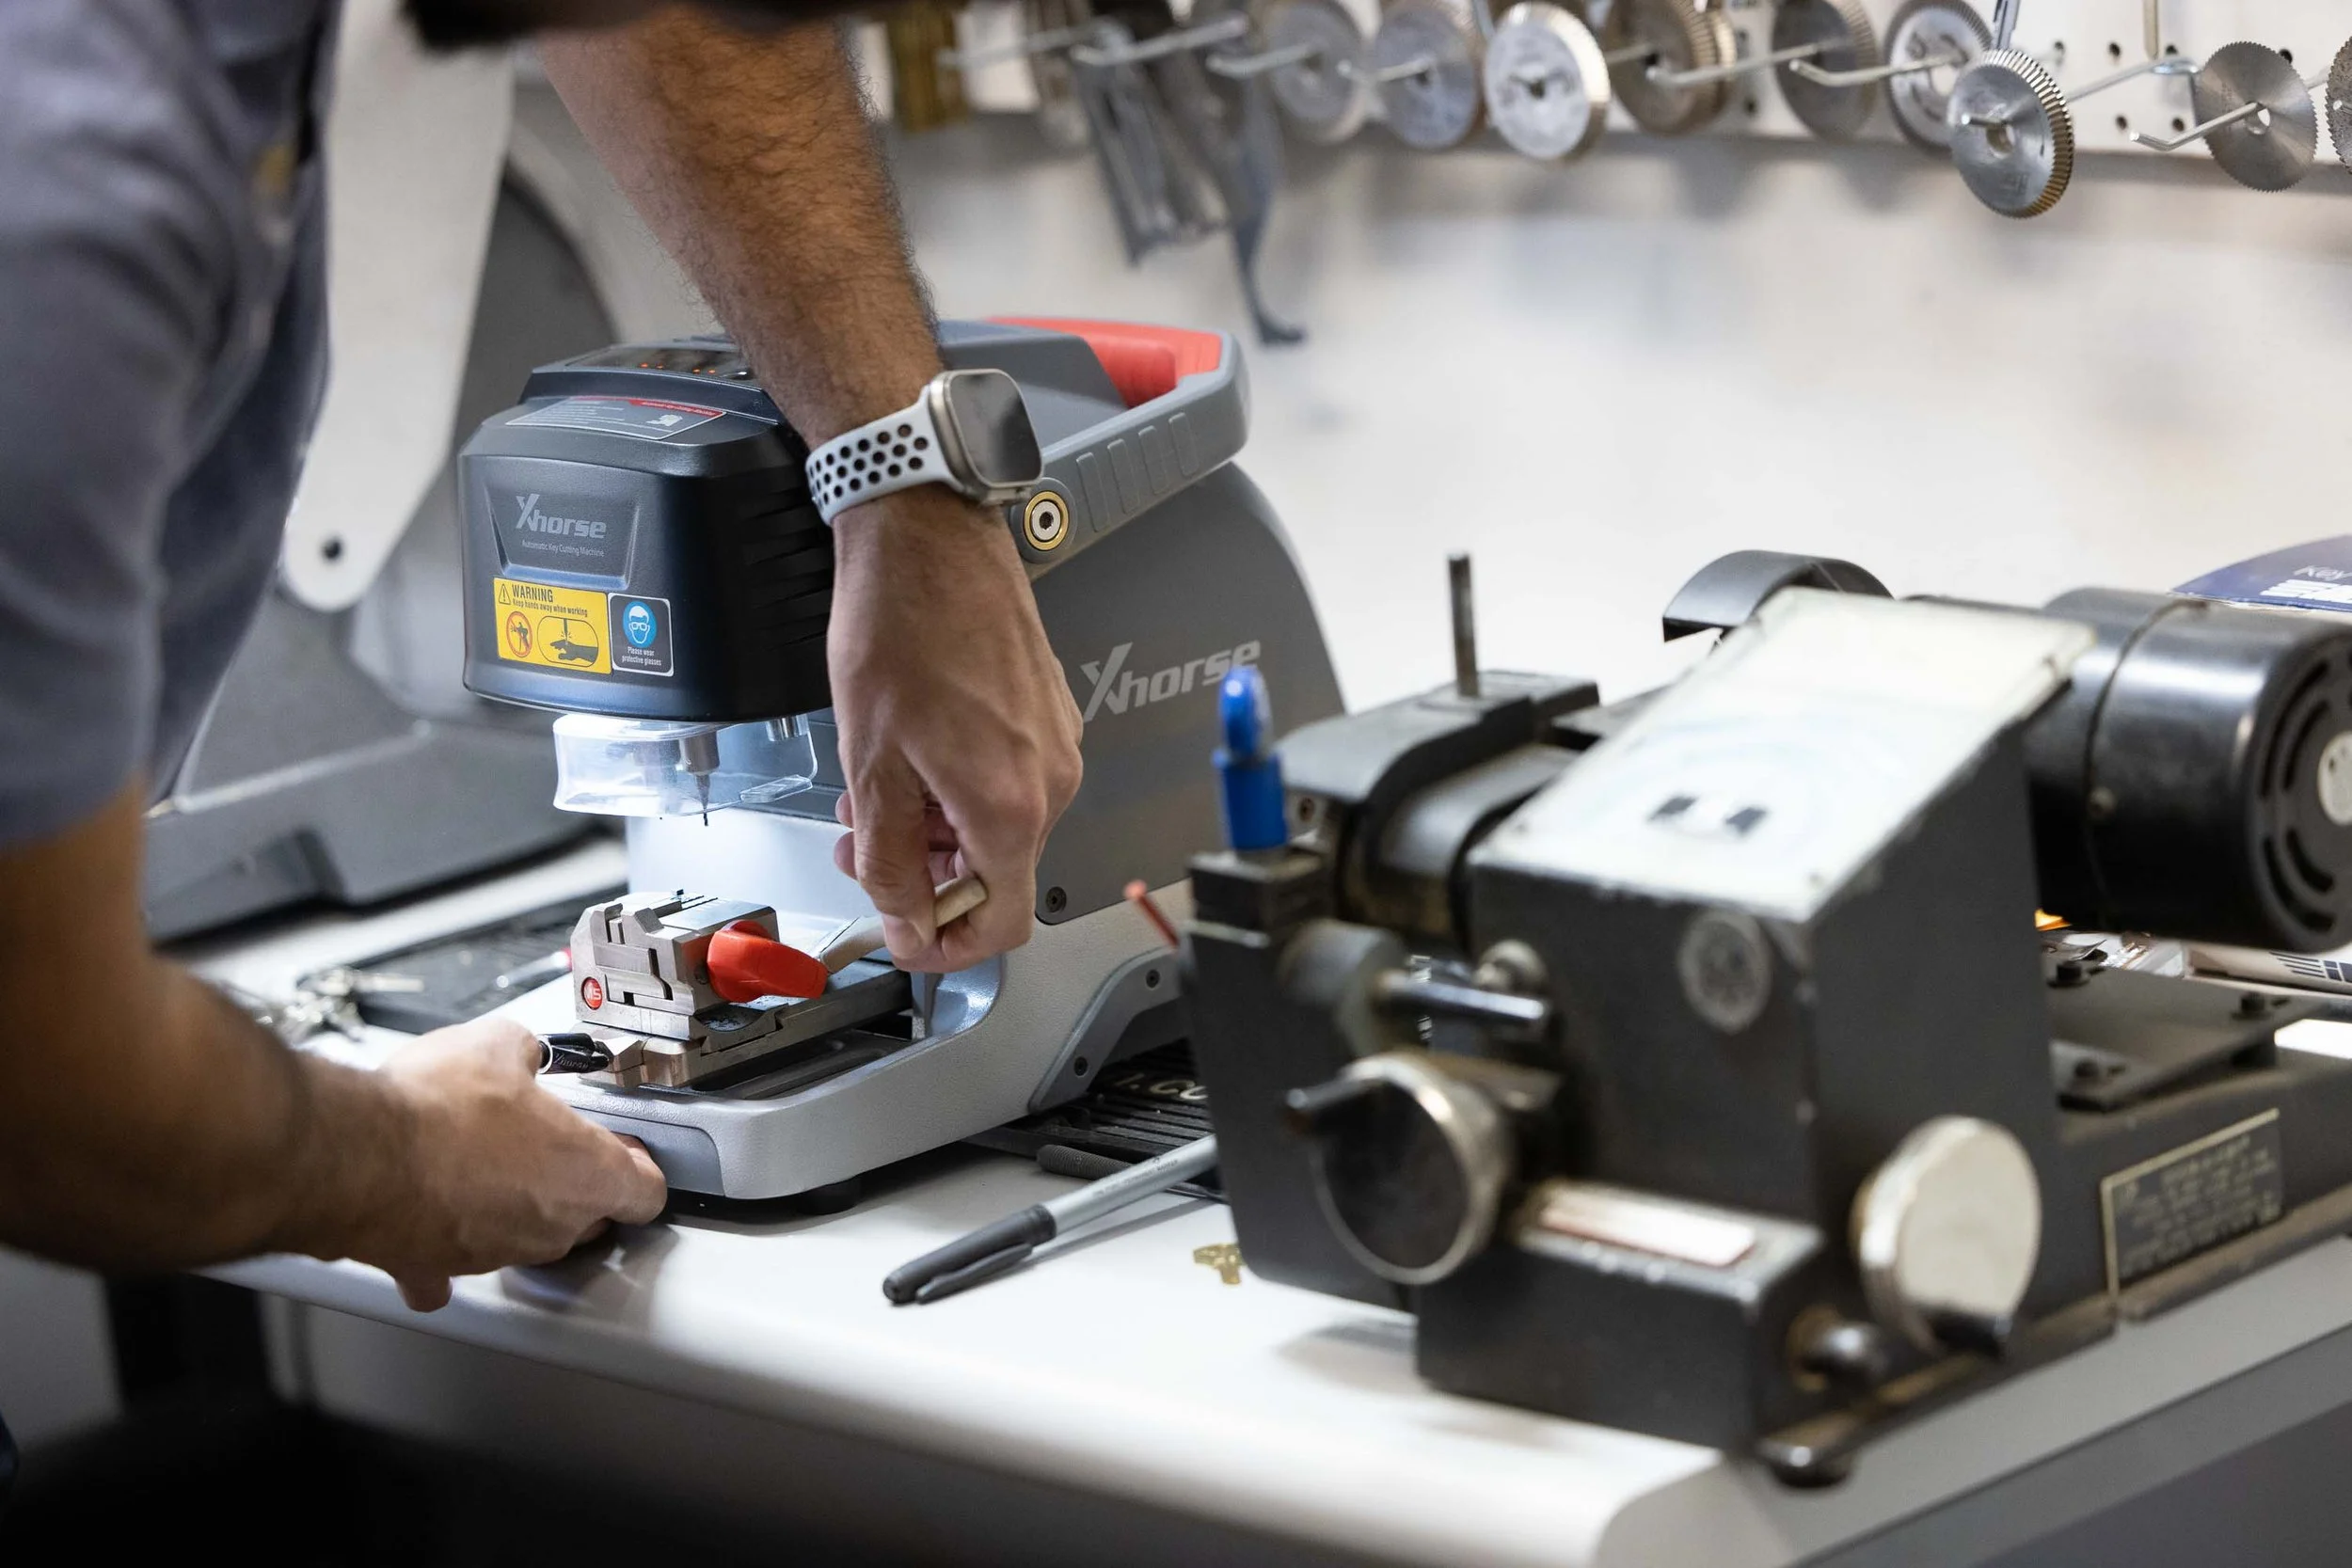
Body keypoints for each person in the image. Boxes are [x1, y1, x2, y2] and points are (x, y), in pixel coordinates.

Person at [0, 0, 1084, 1319]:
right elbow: (47, 1085)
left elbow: (654, 19)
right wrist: (393, 1160)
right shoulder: (67, 181)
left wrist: (905, 489)